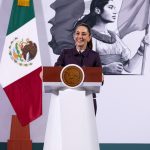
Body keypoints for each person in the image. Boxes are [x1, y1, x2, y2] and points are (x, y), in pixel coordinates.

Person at [76, 0, 149, 74]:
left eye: (114, 8)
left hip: (117, 83)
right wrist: (104, 69)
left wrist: (141, 50)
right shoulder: (85, 36)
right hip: (98, 83)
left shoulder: (115, 37)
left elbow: (128, 68)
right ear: (97, 10)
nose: (115, 12)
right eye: (110, 7)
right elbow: (80, 68)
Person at [55, 23, 102, 114]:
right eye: (77, 33)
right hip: (68, 100)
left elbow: (100, 79)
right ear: (74, 36)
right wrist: (47, 74)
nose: (80, 36)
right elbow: (55, 72)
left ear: (89, 37)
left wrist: (101, 77)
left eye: (83, 34)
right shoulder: (65, 53)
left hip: (88, 100)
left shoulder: (94, 56)